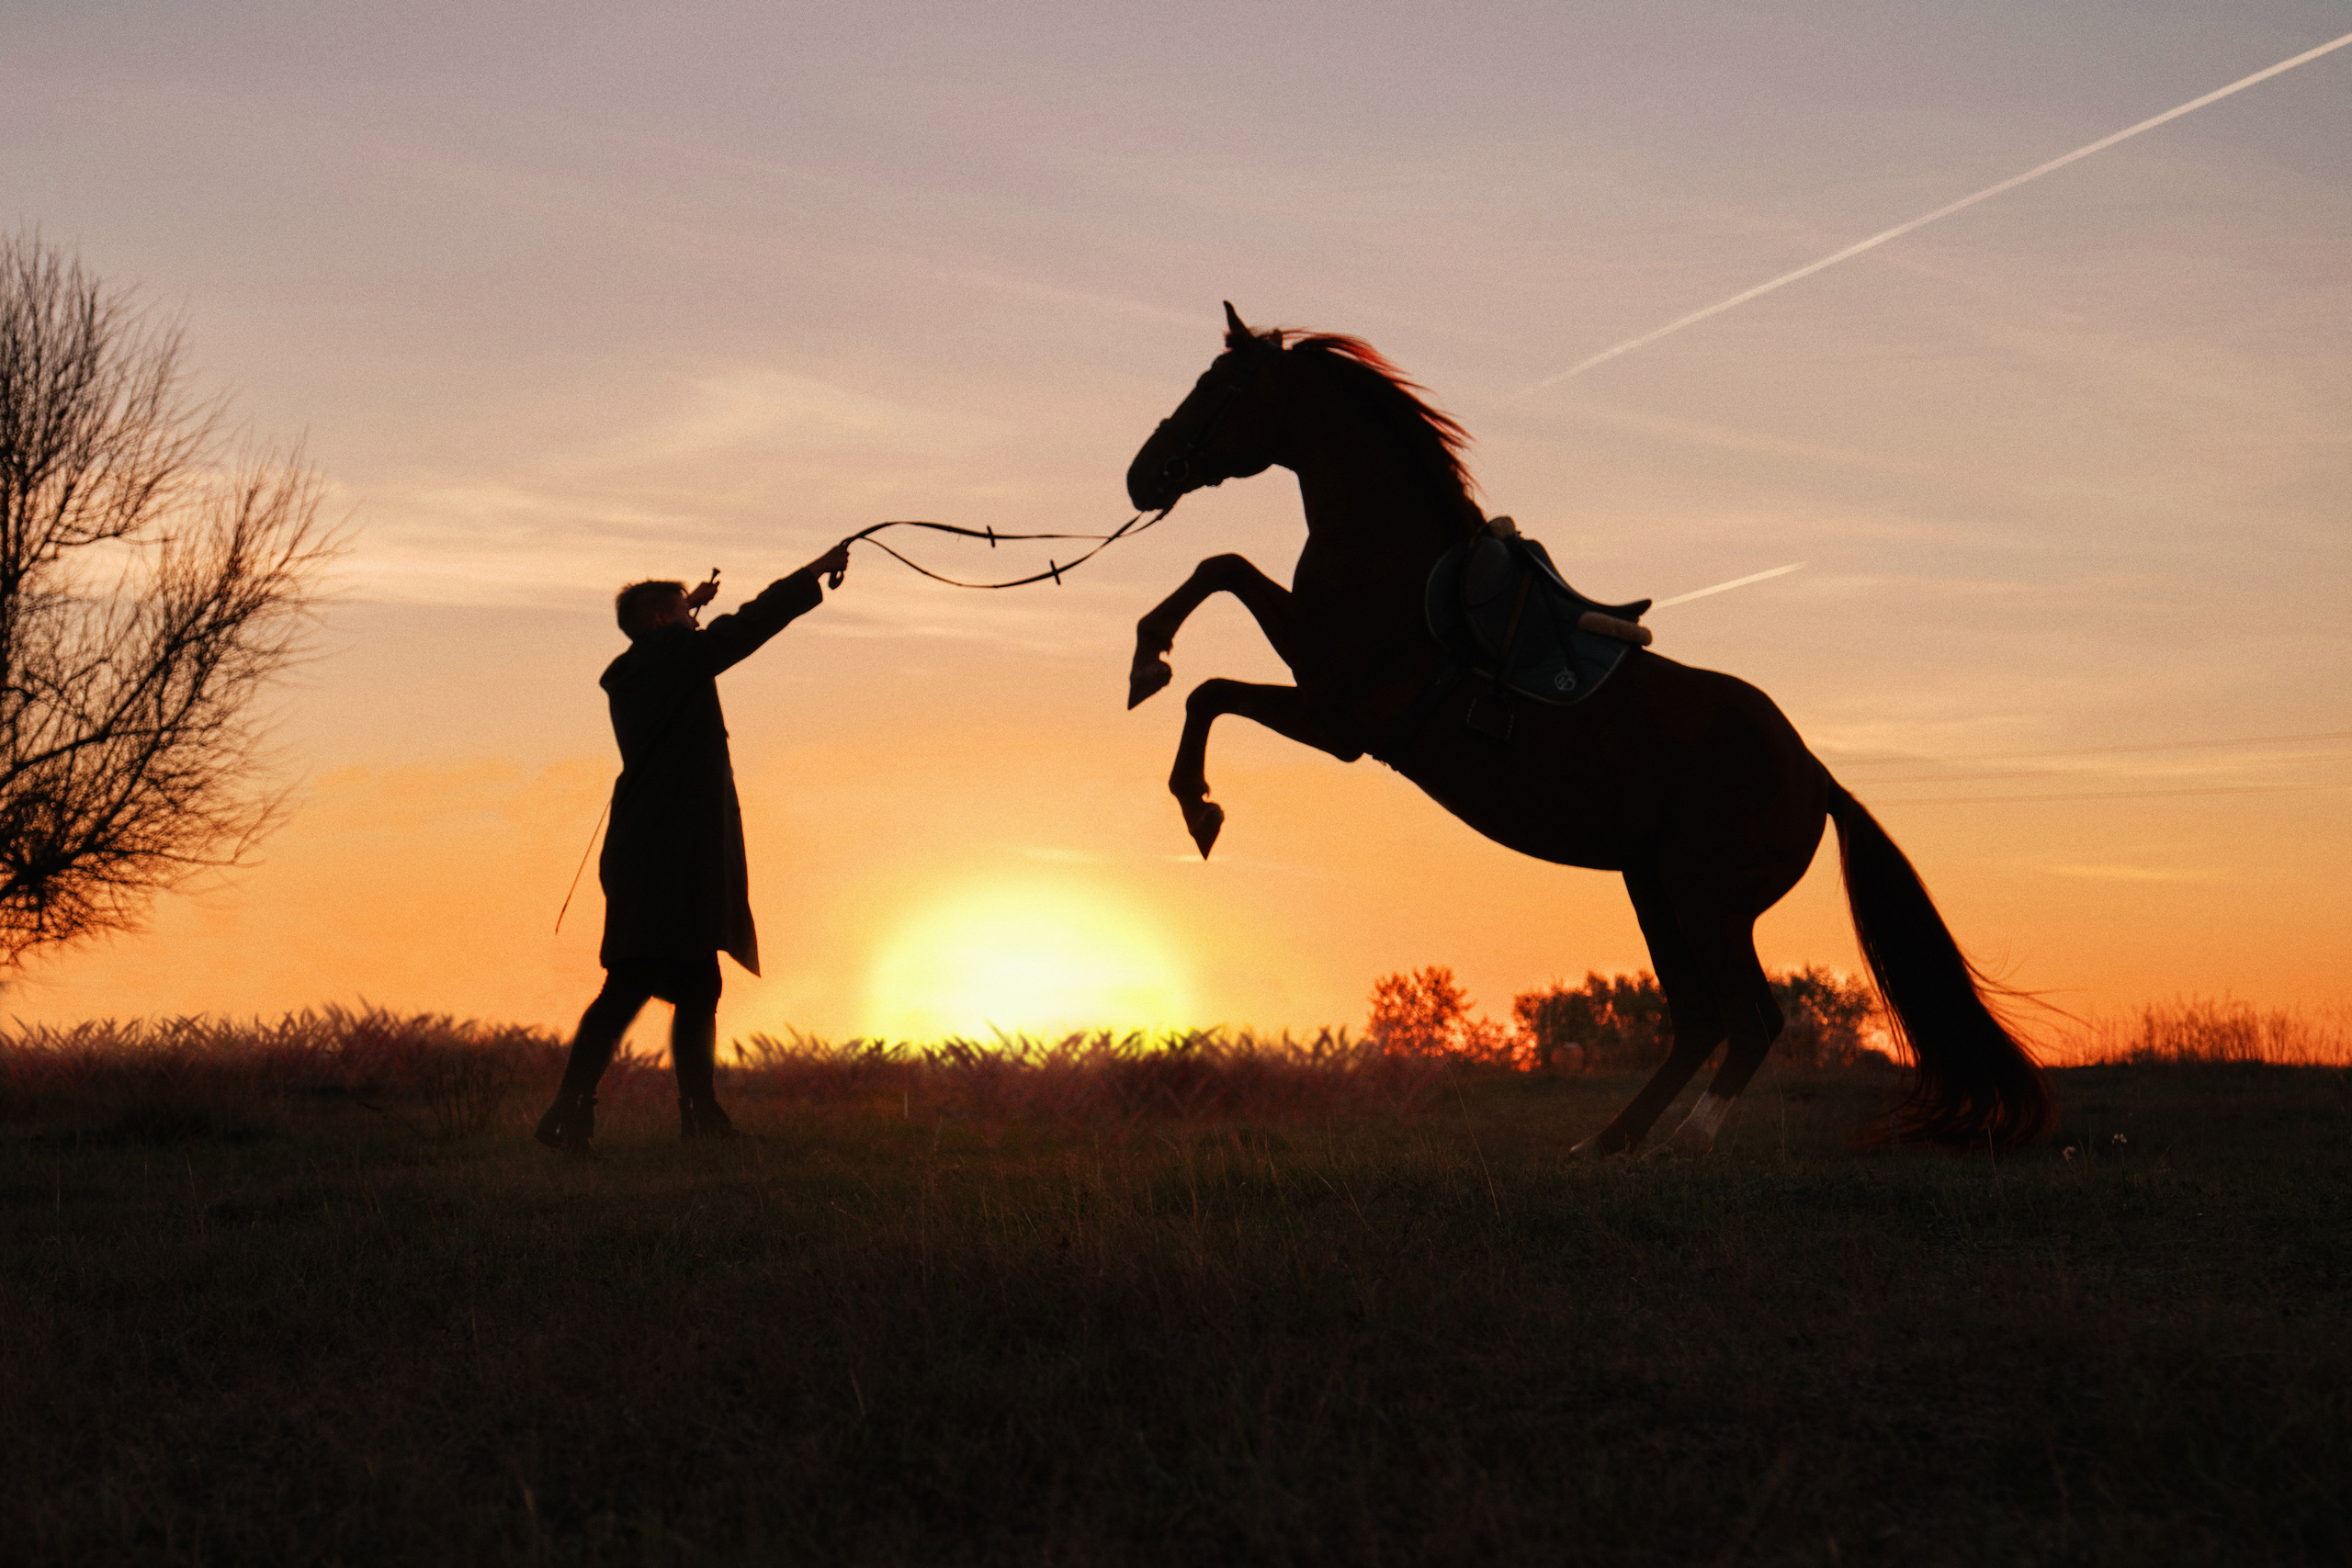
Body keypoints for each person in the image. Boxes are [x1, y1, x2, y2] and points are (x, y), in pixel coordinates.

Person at [536, 541, 853, 1156]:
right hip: (669, 856)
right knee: (636, 986)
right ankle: (637, 1114)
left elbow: (685, 645)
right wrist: (810, 573)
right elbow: (743, 629)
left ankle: (651, 1114)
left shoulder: (640, 667)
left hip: (647, 852)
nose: (693, 617)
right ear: (661, 622)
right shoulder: (674, 656)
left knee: (677, 985)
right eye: (682, 611)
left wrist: (688, 609)